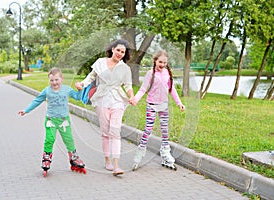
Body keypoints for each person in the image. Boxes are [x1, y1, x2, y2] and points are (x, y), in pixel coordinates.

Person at [75, 39, 134, 176]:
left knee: (115, 131)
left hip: (117, 100)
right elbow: (91, 77)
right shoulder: (100, 62)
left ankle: (116, 165)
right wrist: (82, 85)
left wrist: (131, 96)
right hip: (101, 99)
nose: (120, 53)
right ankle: (107, 160)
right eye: (118, 50)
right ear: (113, 49)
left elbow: (128, 86)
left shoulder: (125, 68)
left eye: (123, 52)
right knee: (105, 132)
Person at [18, 67, 86, 176]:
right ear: (49, 80)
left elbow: (78, 97)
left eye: (56, 80)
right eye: (52, 80)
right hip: (51, 120)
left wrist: (80, 89)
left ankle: (73, 158)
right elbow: (37, 101)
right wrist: (26, 110)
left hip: (64, 120)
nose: (54, 82)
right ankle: (46, 158)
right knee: (50, 139)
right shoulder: (47, 91)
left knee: (69, 140)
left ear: (61, 79)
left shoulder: (67, 89)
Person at [129, 50, 185, 171]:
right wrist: (136, 99)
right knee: (148, 130)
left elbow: (172, 89)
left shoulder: (167, 74)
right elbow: (143, 89)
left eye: (164, 62)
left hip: (163, 105)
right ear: (155, 61)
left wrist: (179, 103)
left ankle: (165, 153)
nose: (162, 64)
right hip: (152, 105)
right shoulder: (150, 73)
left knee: (165, 131)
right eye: (160, 62)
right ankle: (140, 153)